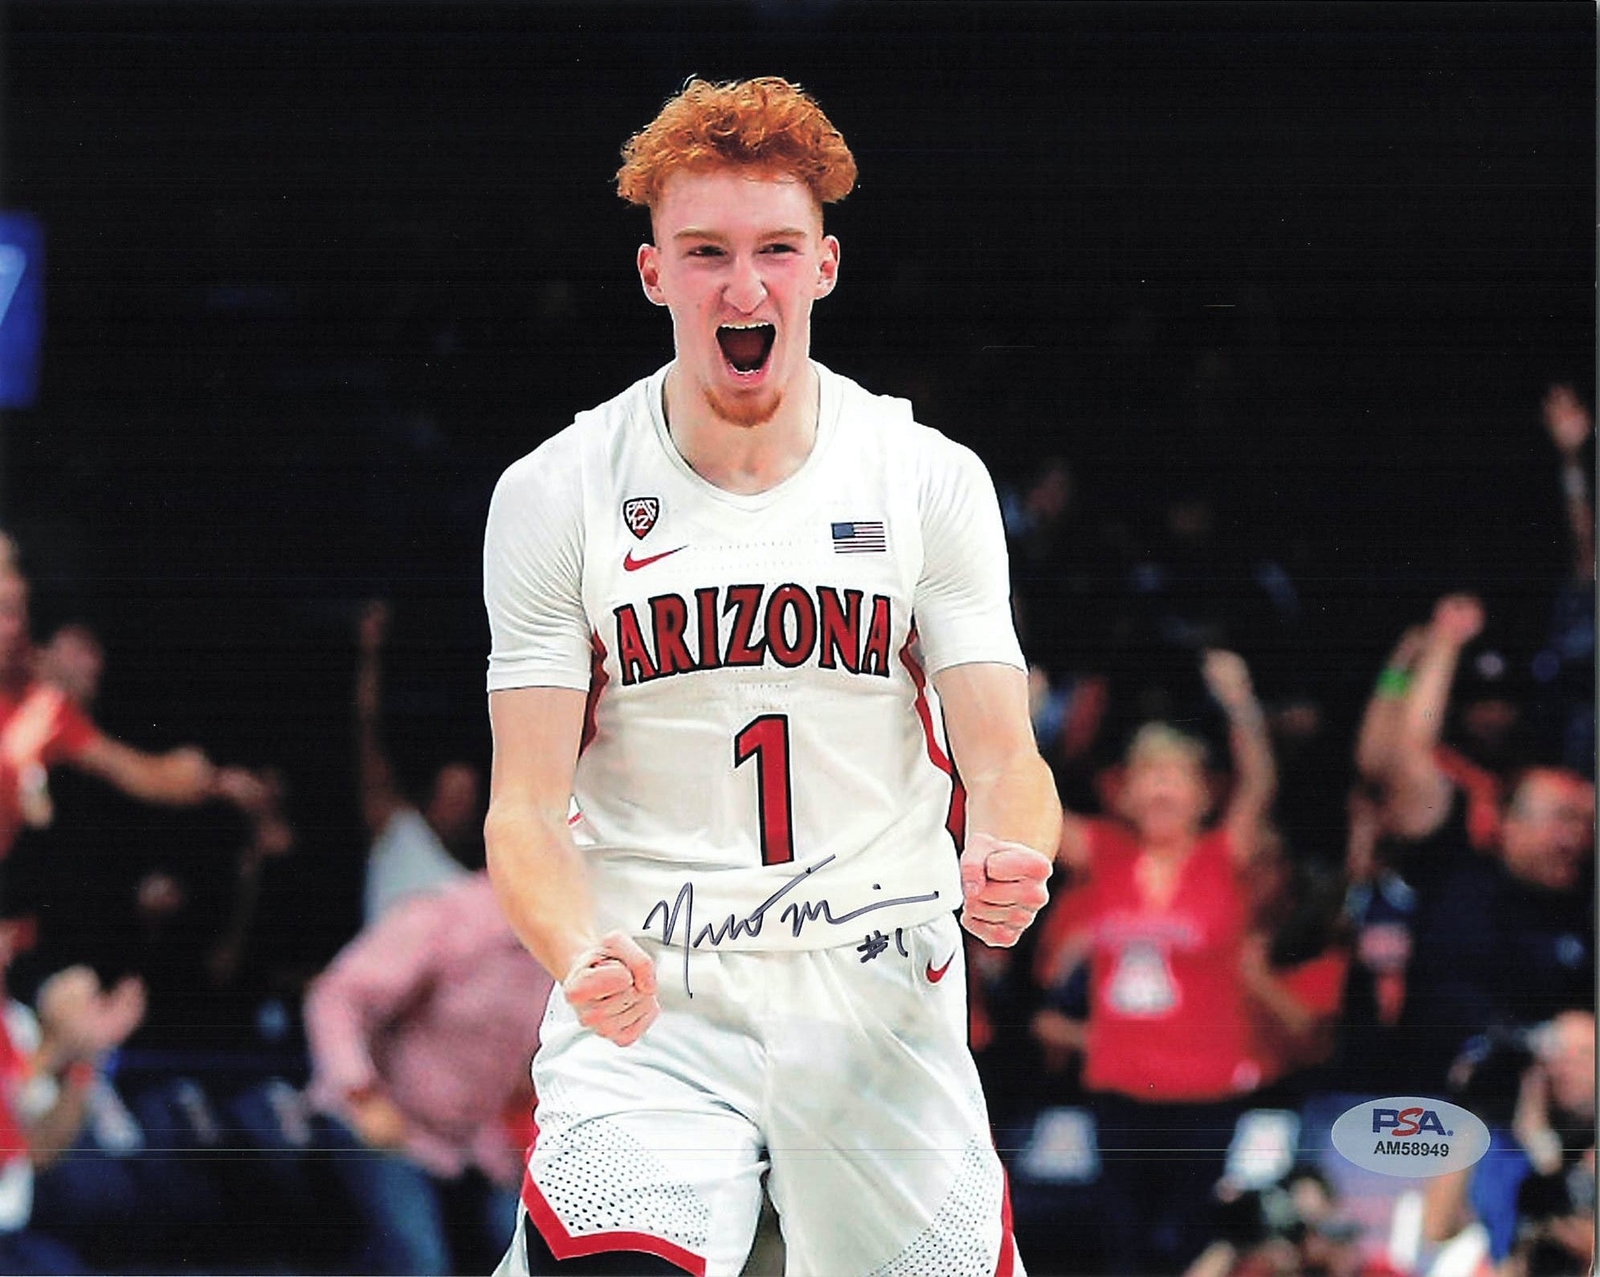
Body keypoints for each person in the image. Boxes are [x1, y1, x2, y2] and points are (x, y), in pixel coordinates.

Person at [481, 77, 1058, 1276]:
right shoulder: (555, 490)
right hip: (655, 980)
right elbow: (523, 808)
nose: (743, 289)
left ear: (825, 266)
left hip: (877, 985)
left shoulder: (924, 477)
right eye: (705, 253)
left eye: (775, 250)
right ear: (654, 275)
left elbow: (1005, 755)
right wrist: (571, 945)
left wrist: (1012, 850)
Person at [1032, 649, 1278, 1276]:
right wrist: (1027, 724)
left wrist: (1240, 706)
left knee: (1192, 1251)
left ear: (1203, 792)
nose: (1161, 786)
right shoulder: (1105, 855)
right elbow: (1032, 815)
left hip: (1205, 1097)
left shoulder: (1225, 855)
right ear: (1126, 789)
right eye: (1149, 773)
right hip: (1120, 1094)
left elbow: (1261, 786)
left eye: (1176, 774)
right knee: (1125, 1253)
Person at [303, 869, 554, 1275]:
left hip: (478, 1145)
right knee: (422, 1264)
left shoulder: (563, 943)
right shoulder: (450, 916)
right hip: (387, 1128)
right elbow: (336, 997)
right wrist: (361, 1094)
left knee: (534, 1258)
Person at [354, 600, 473, 925]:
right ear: (433, 798)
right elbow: (368, 735)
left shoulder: (486, 884)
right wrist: (370, 656)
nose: (461, 807)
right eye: (454, 797)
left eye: (467, 799)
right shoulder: (400, 832)